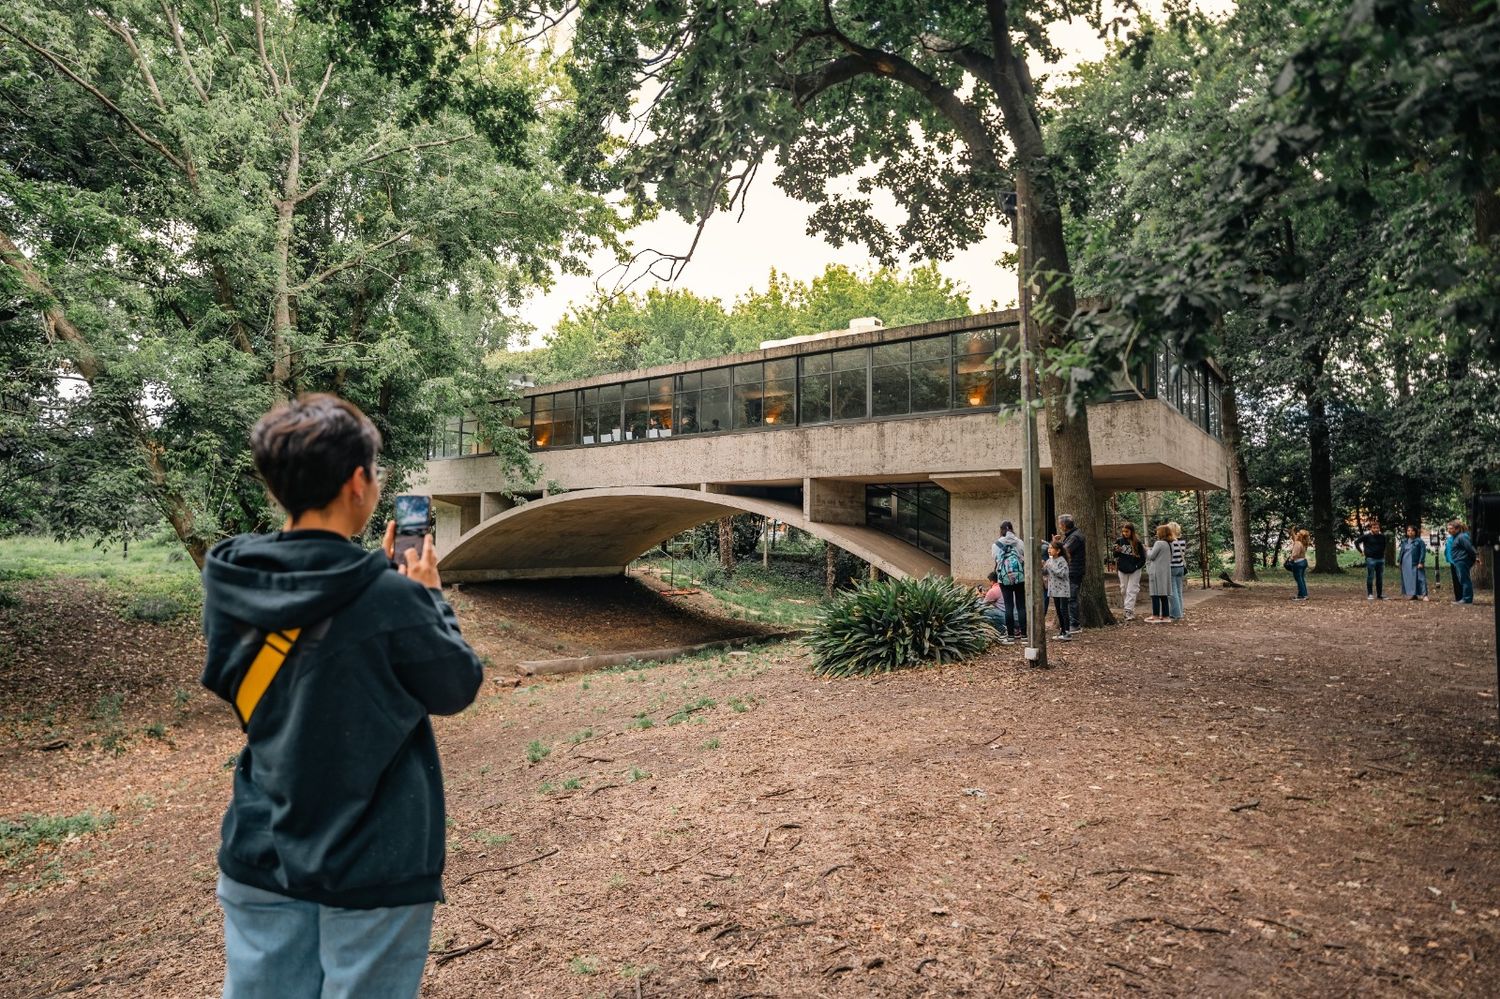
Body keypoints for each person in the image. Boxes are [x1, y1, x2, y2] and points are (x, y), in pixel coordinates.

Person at [202, 394, 484, 999]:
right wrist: (427, 597)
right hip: (374, 857)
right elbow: (456, 687)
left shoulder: (231, 582)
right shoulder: (391, 597)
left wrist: (380, 585)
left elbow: (253, 689)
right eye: (375, 473)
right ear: (358, 482)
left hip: (261, 842)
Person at [991, 521, 1026, 642]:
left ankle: (1010, 636)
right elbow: (1023, 557)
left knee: (1008, 606)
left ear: (1001, 530)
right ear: (1012, 529)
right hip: (1020, 577)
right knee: (1021, 606)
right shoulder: (1020, 542)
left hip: (1004, 579)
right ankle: (1025, 635)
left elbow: (996, 559)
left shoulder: (996, 545)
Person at [1055, 514, 1086, 633]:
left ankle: (1074, 624)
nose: (1059, 526)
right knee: (1069, 598)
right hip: (1072, 570)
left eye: (1060, 524)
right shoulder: (1071, 535)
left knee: (1071, 598)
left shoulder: (1075, 537)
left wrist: (1055, 545)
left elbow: (1064, 551)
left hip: (1074, 571)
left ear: (1064, 525)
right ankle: (1070, 623)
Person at [1112, 521, 1145, 621]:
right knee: (1124, 589)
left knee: (1132, 590)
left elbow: (1142, 559)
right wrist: (1116, 551)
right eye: (1123, 531)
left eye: (1127, 531)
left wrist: (1136, 566)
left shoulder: (1137, 543)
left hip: (1134, 570)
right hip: (1122, 569)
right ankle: (1128, 608)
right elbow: (1115, 556)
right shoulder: (1119, 541)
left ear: (1131, 531)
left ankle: (1128, 611)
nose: (1125, 533)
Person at [1044, 541, 1073, 641]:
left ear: (1058, 550)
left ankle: (1068, 632)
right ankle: (1062, 630)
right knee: (1058, 610)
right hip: (1054, 589)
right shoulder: (1049, 560)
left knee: (1063, 610)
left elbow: (1062, 573)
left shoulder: (1062, 561)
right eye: (1049, 548)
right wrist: (1042, 565)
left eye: (1051, 548)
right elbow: (1045, 572)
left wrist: (1050, 567)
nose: (1049, 550)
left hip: (1063, 590)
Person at [1145, 525, 1173, 622]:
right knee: (1163, 594)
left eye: (1157, 531)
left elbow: (1151, 556)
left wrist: (1147, 550)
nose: (1156, 533)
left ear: (1161, 533)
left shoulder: (1159, 543)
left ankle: (1155, 615)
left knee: (1155, 593)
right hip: (1165, 572)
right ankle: (1166, 615)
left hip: (1156, 571)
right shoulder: (1170, 544)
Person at [1355, 518, 1387, 600]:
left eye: (1377, 528)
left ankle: (1379, 595)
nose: (1376, 529)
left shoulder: (1382, 536)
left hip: (1380, 559)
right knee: (1370, 576)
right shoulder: (1366, 536)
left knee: (1379, 577)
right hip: (1371, 559)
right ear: (1371, 528)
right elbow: (1356, 542)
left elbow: (1384, 545)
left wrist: (1383, 554)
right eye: (1374, 528)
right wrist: (1361, 551)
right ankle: (1370, 594)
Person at [978, 571, 1012, 643]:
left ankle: (1002, 630)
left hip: (1006, 617)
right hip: (1014, 616)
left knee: (984, 612)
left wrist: (979, 597)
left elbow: (982, 606)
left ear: (992, 581)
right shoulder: (1006, 587)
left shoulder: (993, 591)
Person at [1449, 520, 1477, 604]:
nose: (1448, 530)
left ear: (1457, 529)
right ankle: (1465, 598)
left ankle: (1467, 599)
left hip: (1462, 561)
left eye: (1451, 528)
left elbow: (1470, 548)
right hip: (1459, 561)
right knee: (1463, 580)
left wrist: (1476, 557)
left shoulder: (1462, 537)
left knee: (1465, 580)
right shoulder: (1457, 537)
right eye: (1448, 528)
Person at [1399, 525, 1428, 601]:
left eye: (1412, 531)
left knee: (1420, 578)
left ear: (1415, 532)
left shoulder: (1419, 541)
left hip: (1416, 562)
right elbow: (1402, 552)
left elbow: (1422, 552)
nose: (1410, 532)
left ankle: (1424, 595)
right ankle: (1413, 594)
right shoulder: (1405, 541)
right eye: (1408, 530)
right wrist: (1400, 561)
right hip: (1406, 563)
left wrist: (1421, 562)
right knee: (1410, 579)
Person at [1167, 521, 1187, 620]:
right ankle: (1179, 612)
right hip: (1180, 567)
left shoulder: (1170, 543)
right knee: (1179, 592)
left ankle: (1176, 614)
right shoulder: (1182, 541)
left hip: (1172, 567)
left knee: (1172, 592)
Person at [1288, 529, 1310, 601]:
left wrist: (1290, 559)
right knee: (1301, 579)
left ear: (1300, 536)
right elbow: (1294, 537)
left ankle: (1303, 595)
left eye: (1298, 533)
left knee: (1299, 579)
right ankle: (1302, 594)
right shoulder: (1303, 542)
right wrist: (1292, 532)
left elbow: (1295, 554)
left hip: (1298, 563)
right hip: (1303, 561)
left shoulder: (1298, 543)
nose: (1297, 533)